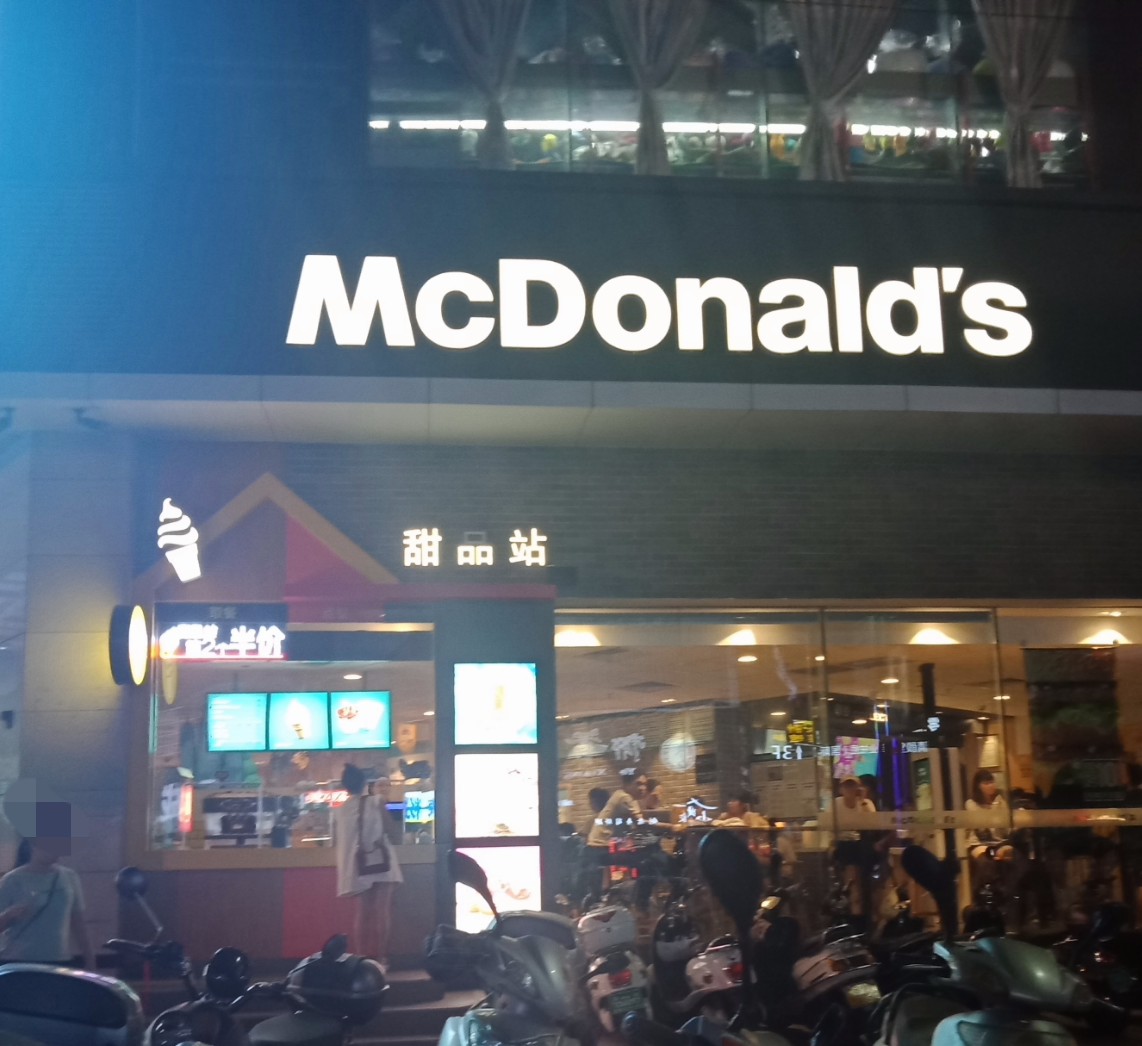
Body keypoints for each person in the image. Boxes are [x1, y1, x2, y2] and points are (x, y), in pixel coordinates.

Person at [335, 764, 402, 970]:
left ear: (345, 786)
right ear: (365, 783)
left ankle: (361, 959)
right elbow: (393, 832)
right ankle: (381, 958)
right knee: (382, 911)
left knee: (362, 912)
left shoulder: (341, 810)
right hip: (381, 862)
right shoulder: (376, 802)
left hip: (358, 865)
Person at [0, 835, 94, 968]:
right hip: (18, 959)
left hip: (58, 959)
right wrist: (9, 915)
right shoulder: (13, 880)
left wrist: (90, 959)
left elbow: (78, 923)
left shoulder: (69, 877)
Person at [965, 769, 1012, 860]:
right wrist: (994, 809)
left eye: (992, 782)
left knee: (1013, 857)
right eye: (986, 783)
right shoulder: (971, 804)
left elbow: (1006, 828)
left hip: (999, 842)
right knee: (987, 859)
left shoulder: (1001, 802)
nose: (991, 786)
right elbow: (980, 827)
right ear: (978, 786)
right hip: (979, 843)